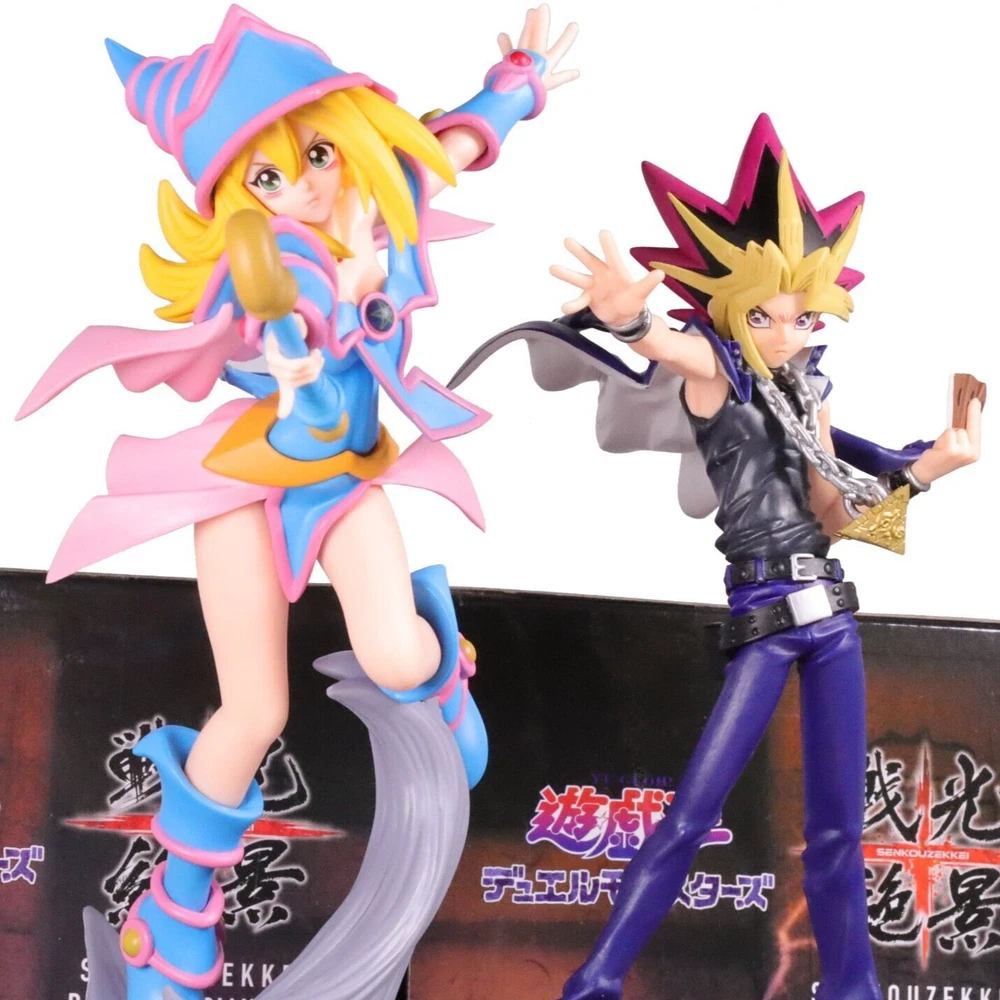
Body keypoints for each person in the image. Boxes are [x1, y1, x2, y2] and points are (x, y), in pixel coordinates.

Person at [16, 5, 578, 998]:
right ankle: (170, 926)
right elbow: (287, 353)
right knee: (252, 710)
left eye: (316, 153)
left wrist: (518, 83)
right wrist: (292, 344)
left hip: (340, 480)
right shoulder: (264, 277)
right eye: (266, 178)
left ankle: (444, 668)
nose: (305, 186)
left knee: (396, 654)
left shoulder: (377, 200)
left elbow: (446, 145)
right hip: (239, 479)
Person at [449, 113, 983, 1000]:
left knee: (839, 832)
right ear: (731, 304)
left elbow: (832, 517)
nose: (786, 331)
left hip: (833, 618)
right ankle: (594, 981)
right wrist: (628, 318)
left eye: (803, 314)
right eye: (765, 314)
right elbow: (666, 342)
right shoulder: (717, 373)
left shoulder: (810, 387)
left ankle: (851, 988)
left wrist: (927, 471)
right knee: (690, 819)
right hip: (763, 618)